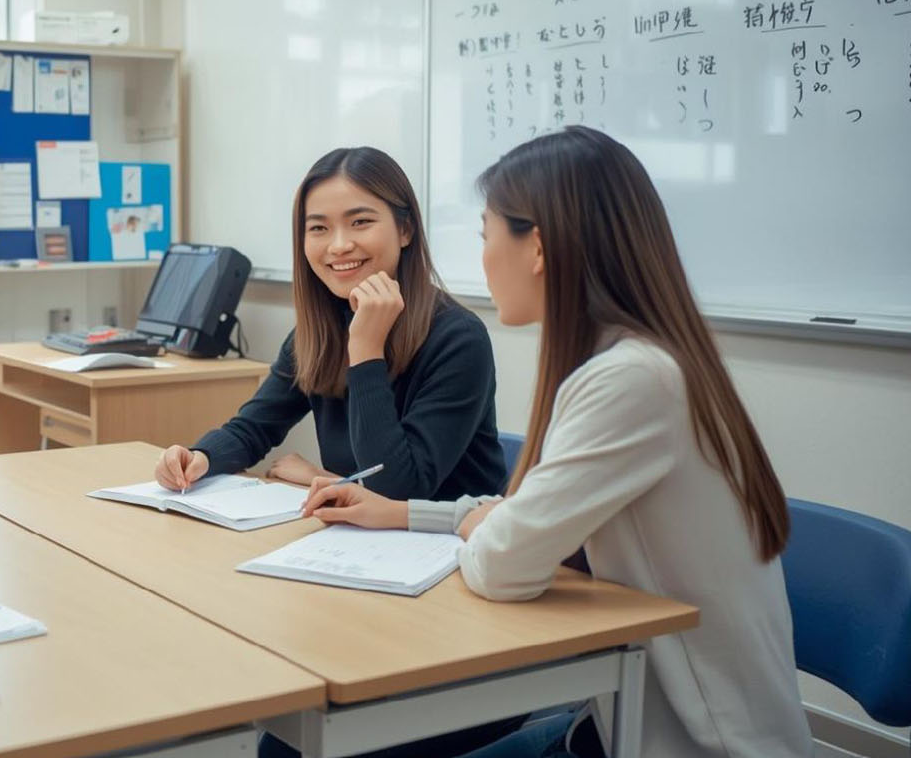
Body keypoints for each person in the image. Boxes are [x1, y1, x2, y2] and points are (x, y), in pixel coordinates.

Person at [303, 127, 812, 758]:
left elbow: (502, 561)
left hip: (691, 740)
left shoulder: (631, 380)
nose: (483, 257)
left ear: (536, 247)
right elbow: (522, 517)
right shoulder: (631, 359)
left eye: (487, 235)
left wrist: (484, 525)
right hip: (613, 714)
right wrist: (409, 515)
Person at [154, 147, 507, 503]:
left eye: (360, 222)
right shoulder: (319, 332)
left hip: (448, 547)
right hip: (355, 538)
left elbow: (400, 488)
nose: (338, 245)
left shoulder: (458, 337)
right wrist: (201, 457)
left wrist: (366, 351)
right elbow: (254, 427)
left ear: (405, 229)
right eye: (319, 228)